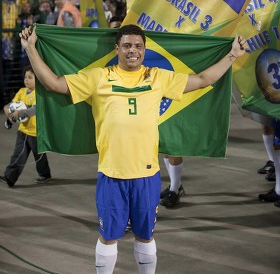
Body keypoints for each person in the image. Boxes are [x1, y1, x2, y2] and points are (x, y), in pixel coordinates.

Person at [20, 24, 247, 273]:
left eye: (138, 46)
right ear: (117, 48)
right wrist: (31, 49)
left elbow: (203, 79)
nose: (133, 51)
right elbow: (54, 83)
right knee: (108, 237)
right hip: (111, 174)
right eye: (127, 45)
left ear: (144, 50)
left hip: (147, 175)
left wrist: (233, 55)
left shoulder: (158, 77)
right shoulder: (99, 77)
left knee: (145, 236)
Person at [0, 66, 51, 188]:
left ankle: (45, 174)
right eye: (25, 77)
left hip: (36, 132)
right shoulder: (21, 92)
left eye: (30, 77)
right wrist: (6, 108)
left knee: (40, 156)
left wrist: (20, 113)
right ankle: (10, 177)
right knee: (19, 154)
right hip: (24, 131)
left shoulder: (38, 93)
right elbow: (12, 104)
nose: (26, 80)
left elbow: (34, 110)